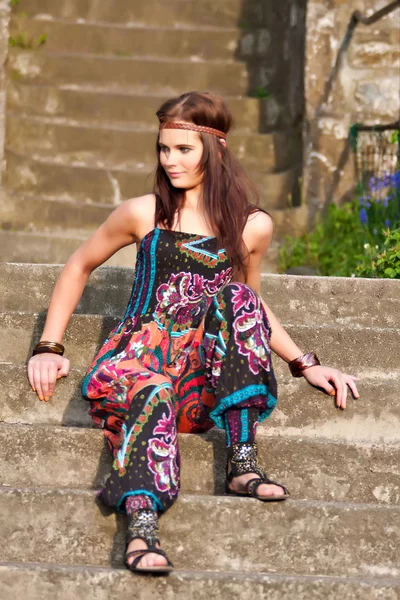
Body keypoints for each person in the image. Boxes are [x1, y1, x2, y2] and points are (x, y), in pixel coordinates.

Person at [27, 91, 359, 574]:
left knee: (237, 296)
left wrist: (304, 363)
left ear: (215, 148)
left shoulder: (251, 226)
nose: (170, 160)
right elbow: (79, 265)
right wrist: (49, 346)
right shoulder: (144, 213)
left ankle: (242, 460)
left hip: (197, 382)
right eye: (164, 149)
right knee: (153, 387)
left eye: (184, 149)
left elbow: (250, 304)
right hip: (134, 364)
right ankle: (141, 530)